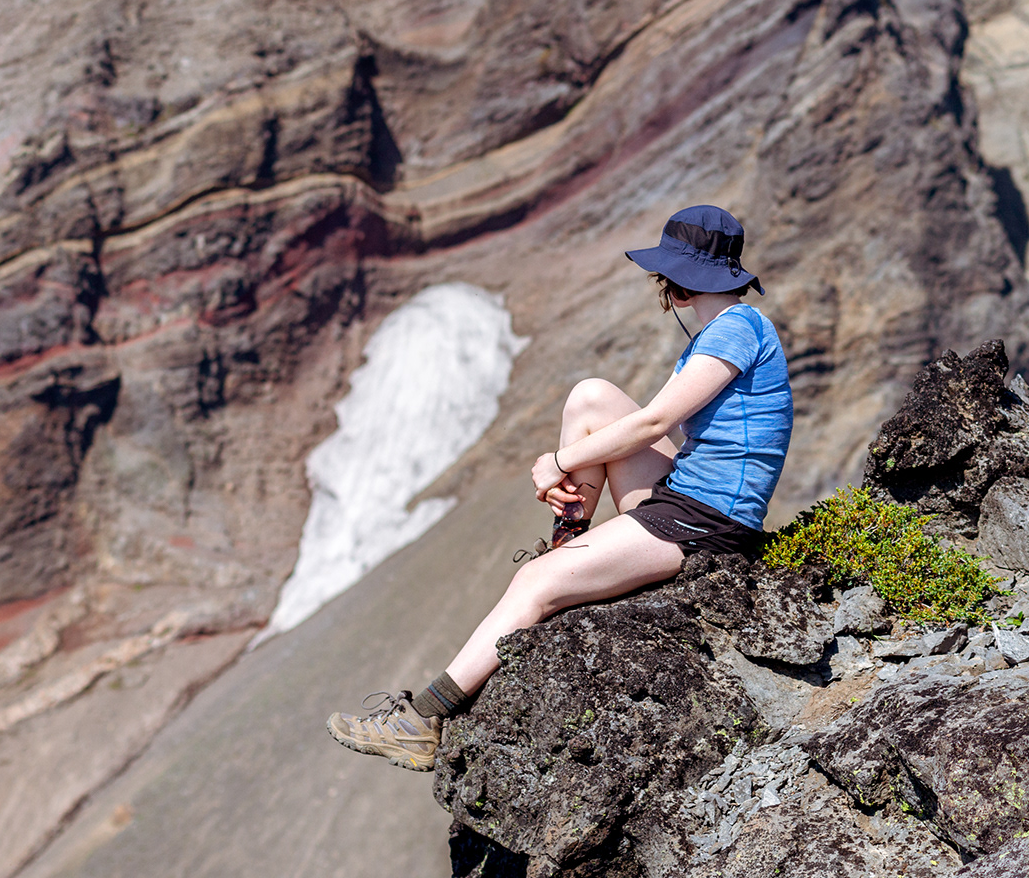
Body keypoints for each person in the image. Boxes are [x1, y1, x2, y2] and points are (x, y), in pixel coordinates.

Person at [327, 205, 793, 771]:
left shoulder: (737, 329)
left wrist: (558, 462)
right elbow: (678, 431)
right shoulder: (724, 331)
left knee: (535, 583)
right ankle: (568, 544)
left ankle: (421, 721)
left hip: (706, 521)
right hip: (691, 498)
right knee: (592, 397)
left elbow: (653, 424)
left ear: (682, 279)